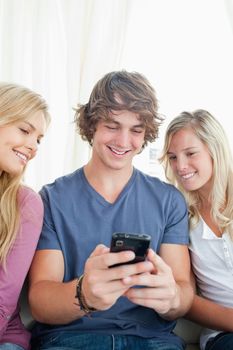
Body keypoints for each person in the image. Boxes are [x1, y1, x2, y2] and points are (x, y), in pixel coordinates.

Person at [28, 70, 193, 350]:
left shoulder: (169, 201)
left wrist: (173, 299)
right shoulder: (52, 199)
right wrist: (84, 294)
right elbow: (41, 300)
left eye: (136, 130)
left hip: (152, 340)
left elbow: (184, 292)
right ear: (92, 125)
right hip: (70, 340)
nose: (123, 141)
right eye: (113, 125)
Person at [160, 109, 233, 350]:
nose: (180, 166)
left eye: (190, 154)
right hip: (224, 335)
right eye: (172, 157)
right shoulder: (180, 216)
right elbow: (186, 300)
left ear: (215, 151)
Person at [0, 82, 50, 350]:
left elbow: (3, 301)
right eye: (25, 130)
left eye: (39, 139)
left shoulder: (25, 204)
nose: (33, 146)